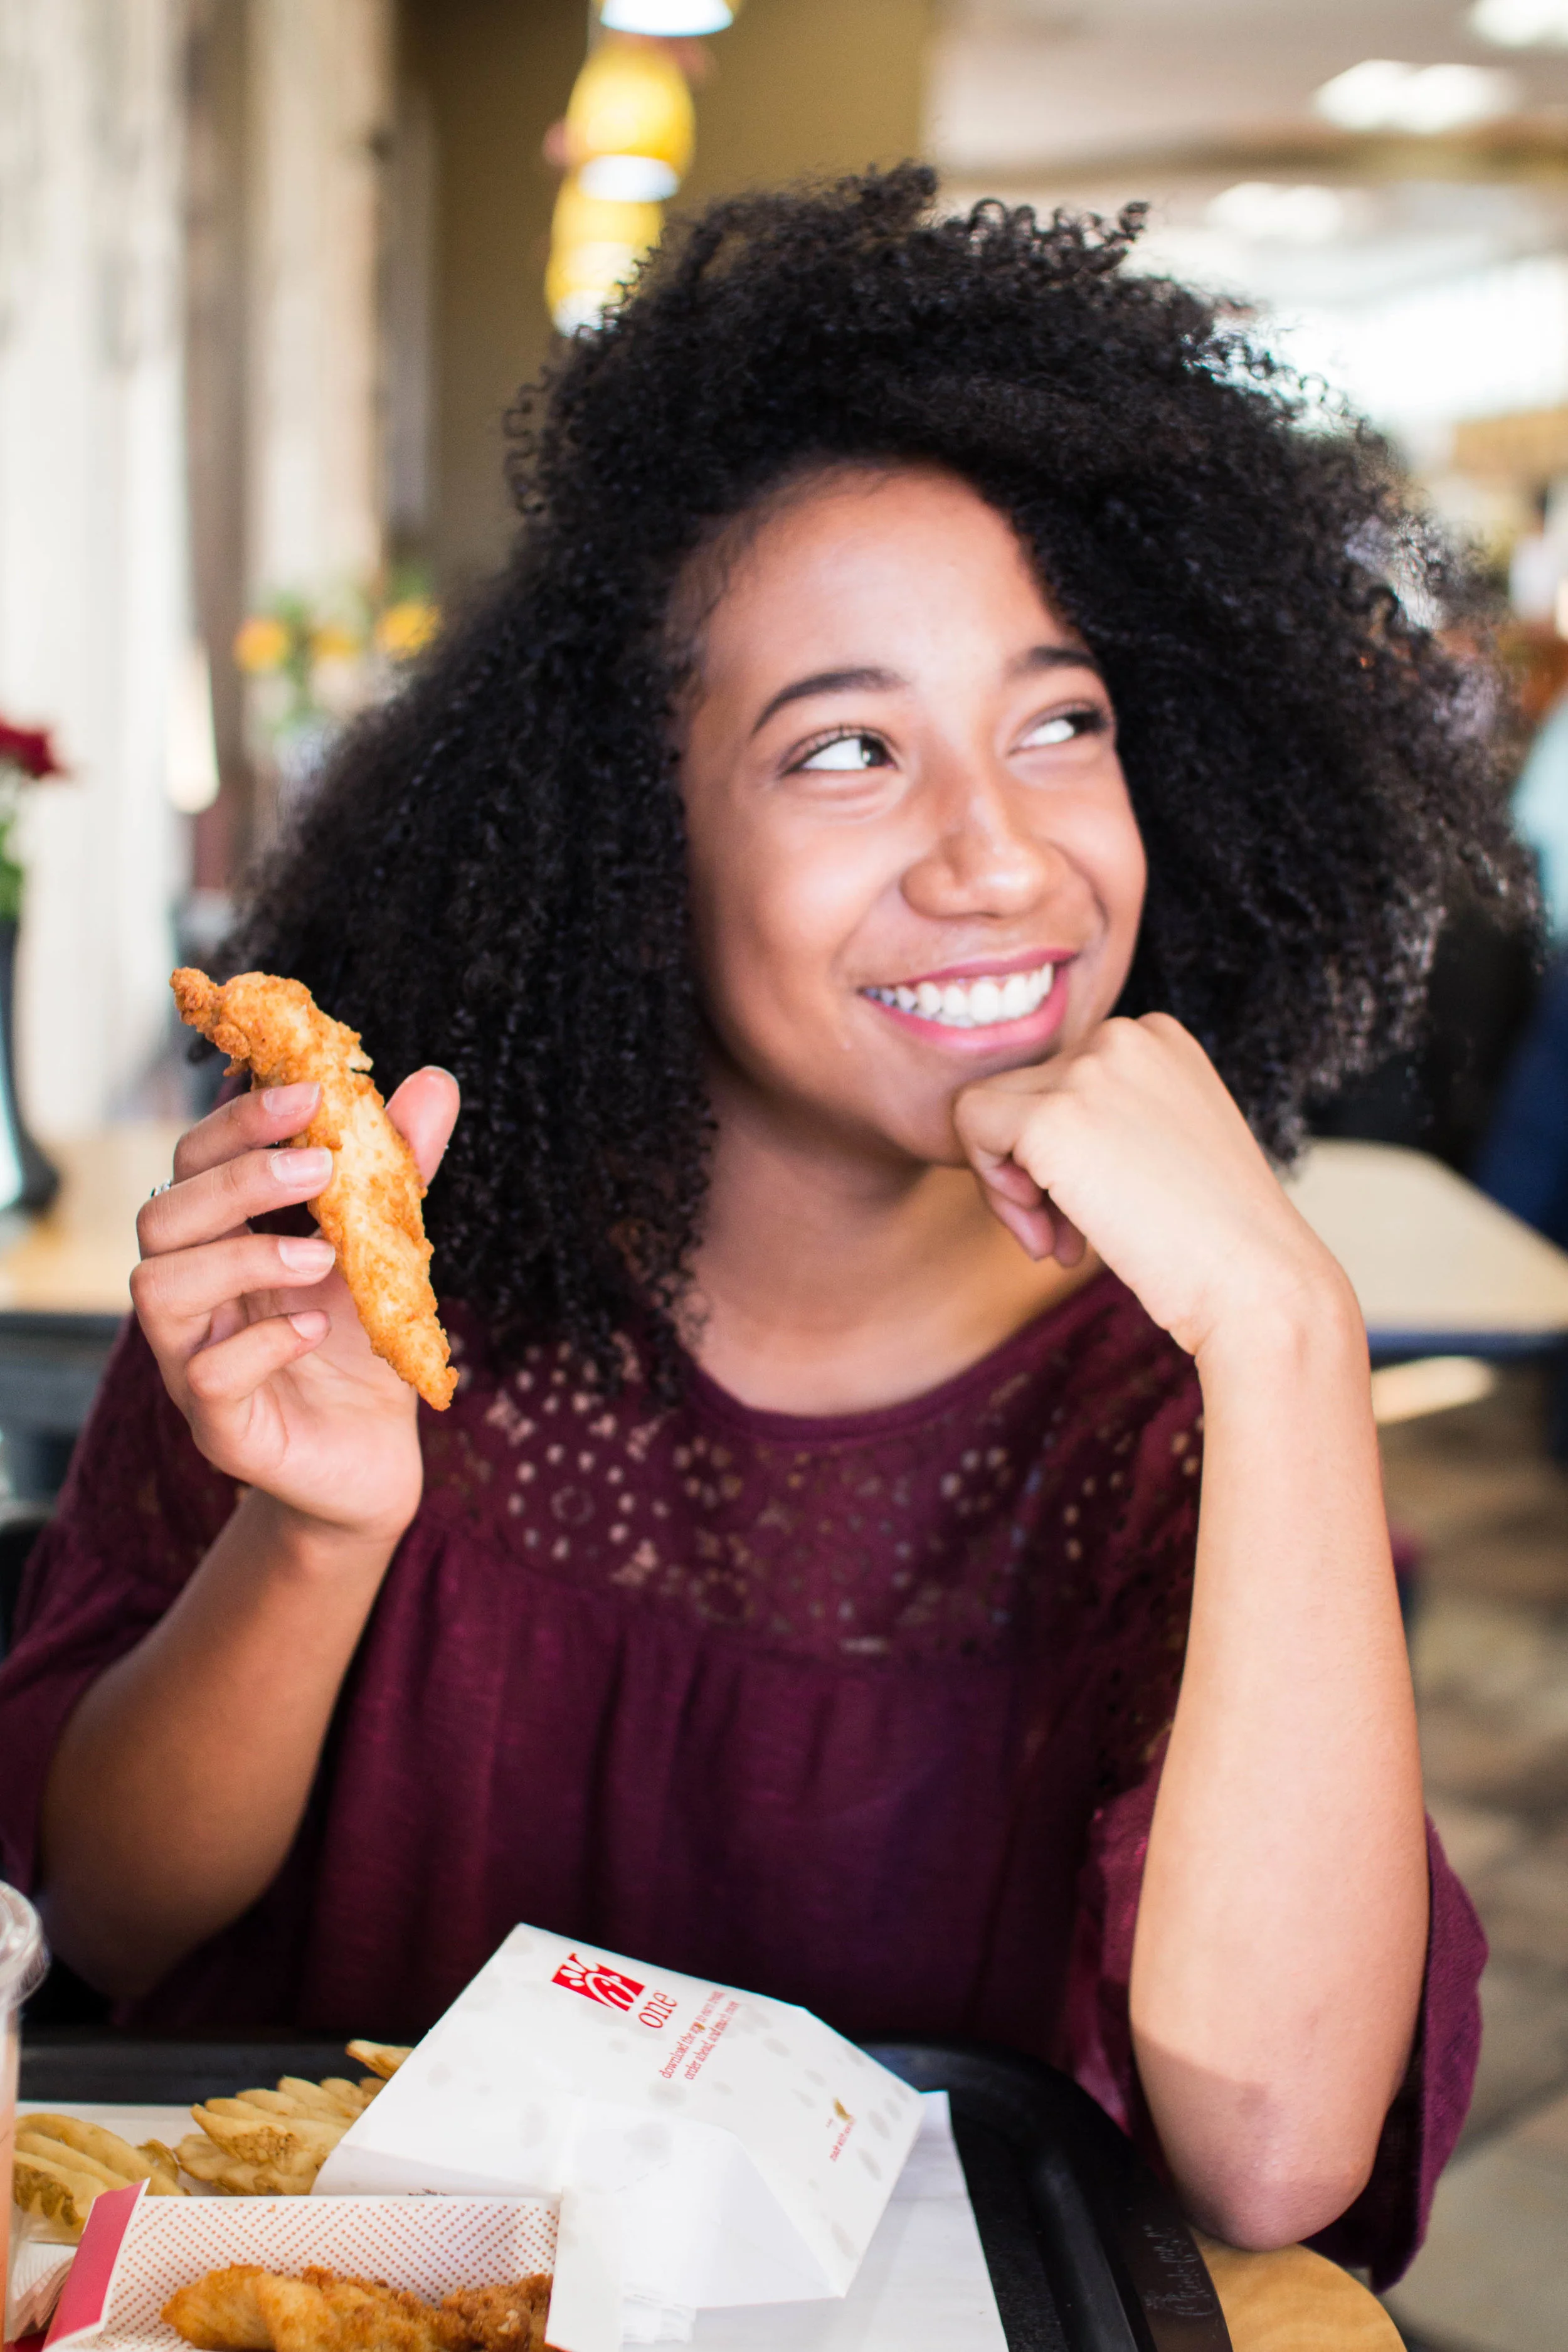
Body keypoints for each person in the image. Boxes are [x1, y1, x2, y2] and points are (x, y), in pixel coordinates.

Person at [0, 170, 1516, 2285]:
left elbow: (1269, 2170)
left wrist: (1278, 1329)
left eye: (1059, 722)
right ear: (639, 839)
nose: (1000, 855)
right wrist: (319, 1530)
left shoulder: (1186, 1403)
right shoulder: (374, 1277)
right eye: (846, 749)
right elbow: (114, 1919)